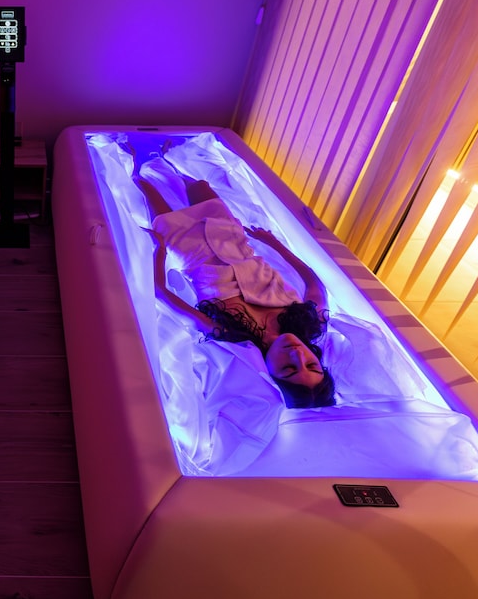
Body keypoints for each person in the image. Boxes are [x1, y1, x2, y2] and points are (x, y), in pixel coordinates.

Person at [131, 152, 336, 409]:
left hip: (190, 251)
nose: (297, 354)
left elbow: (161, 292)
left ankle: (133, 162)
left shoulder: (229, 334)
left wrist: (159, 250)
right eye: (311, 364)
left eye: (289, 368)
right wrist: (274, 243)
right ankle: (165, 156)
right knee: (199, 186)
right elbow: (314, 282)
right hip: (233, 241)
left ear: (271, 378)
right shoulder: (310, 320)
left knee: (146, 187)